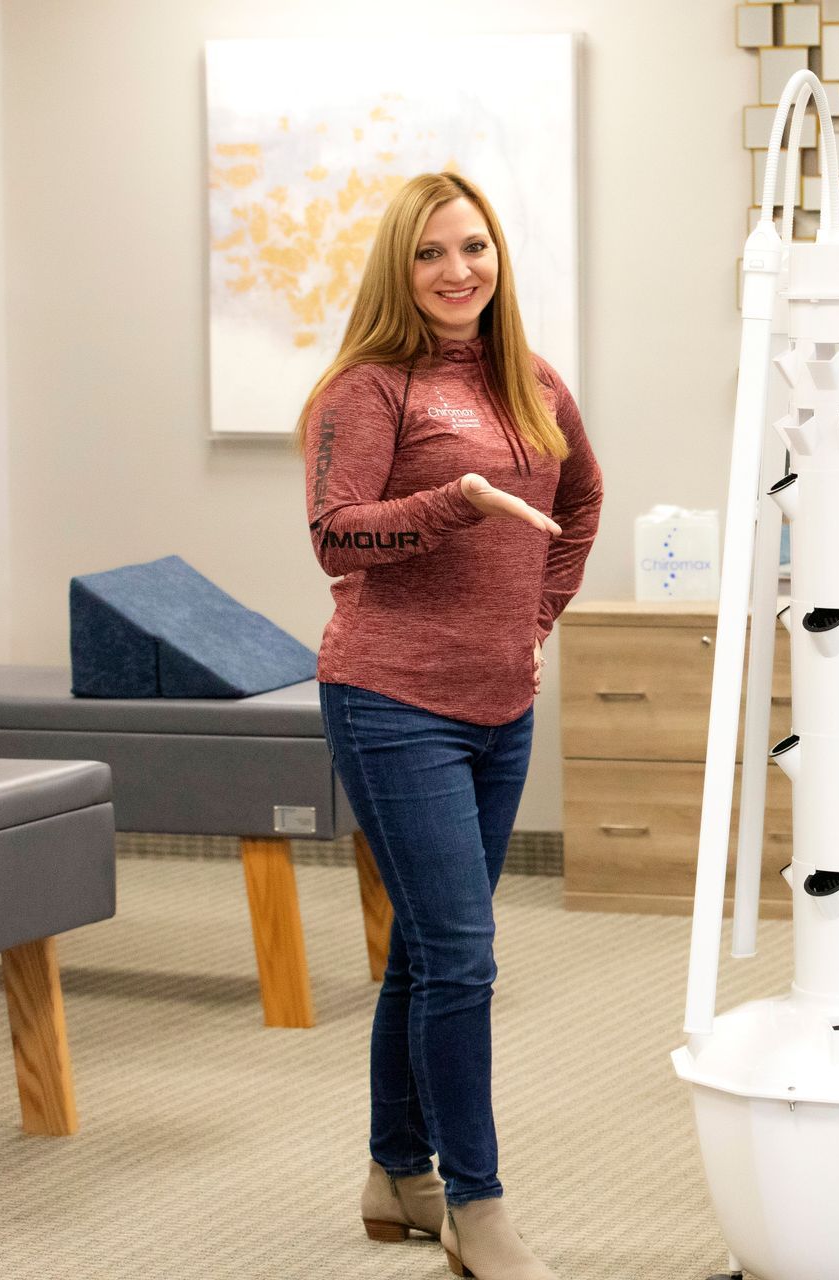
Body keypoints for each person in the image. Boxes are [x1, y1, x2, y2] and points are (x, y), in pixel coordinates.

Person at [298, 171, 602, 1280]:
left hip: (501, 701)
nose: (457, 269)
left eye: (473, 246)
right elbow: (336, 537)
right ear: (399, 266)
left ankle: (395, 1172)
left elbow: (583, 500)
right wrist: (452, 501)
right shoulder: (368, 388)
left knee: (429, 949)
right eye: (431, 253)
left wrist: (539, 612)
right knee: (465, 955)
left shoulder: (531, 378)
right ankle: (478, 1203)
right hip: (390, 700)